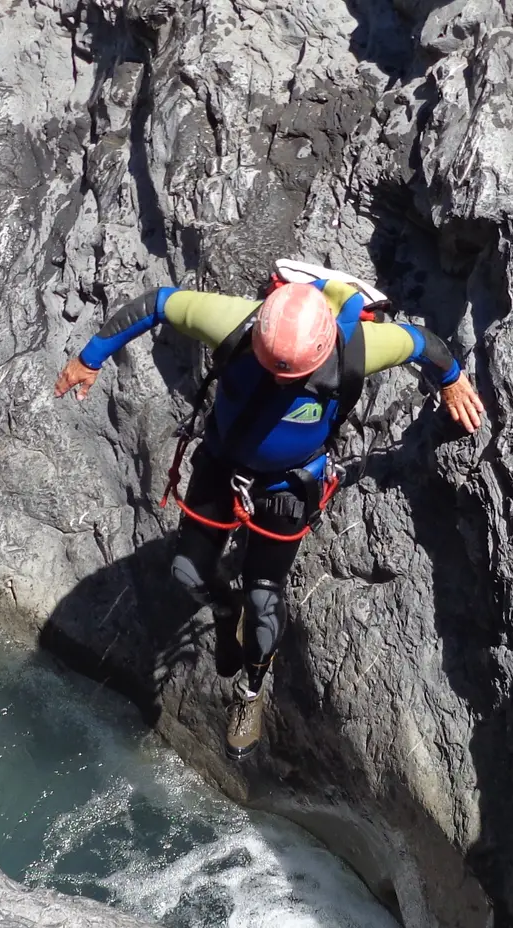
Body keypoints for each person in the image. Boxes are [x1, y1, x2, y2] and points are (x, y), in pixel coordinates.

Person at [52, 276, 485, 758]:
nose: (280, 381)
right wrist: (88, 359)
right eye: (273, 369)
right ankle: (223, 609)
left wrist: (453, 382)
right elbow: (156, 304)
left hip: (290, 484)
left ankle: (250, 693)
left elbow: (425, 343)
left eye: (292, 375)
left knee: (263, 598)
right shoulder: (236, 322)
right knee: (187, 571)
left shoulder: (357, 348)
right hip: (222, 466)